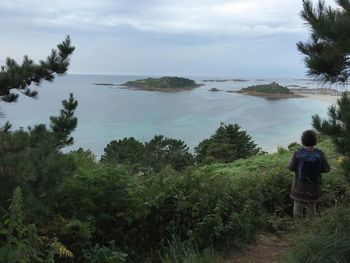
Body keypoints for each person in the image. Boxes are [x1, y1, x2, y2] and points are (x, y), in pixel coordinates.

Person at [288, 130, 330, 220]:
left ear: (303, 140)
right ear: (315, 140)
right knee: (311, 207)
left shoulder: (298, 153)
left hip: (299, 185)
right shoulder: (320, 153)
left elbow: (291, 168)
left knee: (298, 207)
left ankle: (299, 227)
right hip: (314, 186)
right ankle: (311, 228)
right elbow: (327, 169)